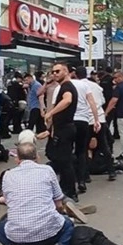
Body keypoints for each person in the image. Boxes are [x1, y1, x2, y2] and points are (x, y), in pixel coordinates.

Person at [0, 143, 74, 245]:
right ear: (37, 156)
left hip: (18, 237)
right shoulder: (47, 171)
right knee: (68, 224)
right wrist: (61, 213)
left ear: (17, 159)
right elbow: (58, 203)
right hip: (48, 234)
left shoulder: (8, 175)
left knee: (0, 229)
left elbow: (10, 203)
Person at [44, 62, 79, 200]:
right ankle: (64, 188)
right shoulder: (64, 86)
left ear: (66, 71)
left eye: (58, 71)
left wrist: (50, 113)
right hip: (62, 128)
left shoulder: (67, 86)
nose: (54, 74)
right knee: (60, 159)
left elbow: (68, 100)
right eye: (53, 72)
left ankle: (70, 191)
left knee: (65, 161)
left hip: (65, 129)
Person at [75, 66, 114, 181]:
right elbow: (102, 101)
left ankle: (85, 175)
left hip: (86, 119)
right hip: (100, 119)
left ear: (76, 75)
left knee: (84, 148)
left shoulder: (76, 86)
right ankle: (111, 171)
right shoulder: (96, 86)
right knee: (104, 145)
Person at [72, 68, 102, 194]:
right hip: (85, 121)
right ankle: (83, 178)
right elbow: (93, 102)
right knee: (82, 150)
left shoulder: (67, 85)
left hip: (70, 121)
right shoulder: (91, 86)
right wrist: (96, 119)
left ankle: (70, 178)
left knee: (68, 150)